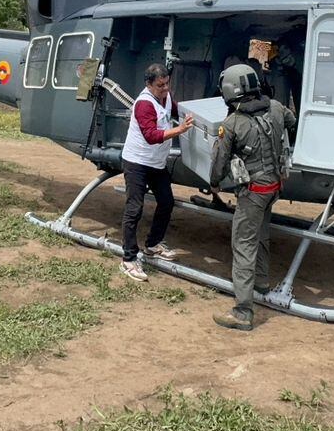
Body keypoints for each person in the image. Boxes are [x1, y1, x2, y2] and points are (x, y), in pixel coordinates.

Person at [209, 63, 297, 331]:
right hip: (274, 187)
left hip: (253, 193)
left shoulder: (232, 124)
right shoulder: (276, 107)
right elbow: (292, 122)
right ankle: (260, 281)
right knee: (262, 235)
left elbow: (219, 163)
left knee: (243, 244)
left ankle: (243, 311)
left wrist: (214, 184)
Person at [119, 63, 195, 281]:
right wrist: (179, 130)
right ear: (149, 84)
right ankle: (129, 258)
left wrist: (191, 117)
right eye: (160, 85)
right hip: (137, 162)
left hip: (156, 163)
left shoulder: (166, 97)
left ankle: (152, 244)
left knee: (166, 201)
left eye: (167, 83)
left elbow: (175, 110)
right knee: (134, 208)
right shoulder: (144, 104)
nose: (165, 88)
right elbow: (151, 135)